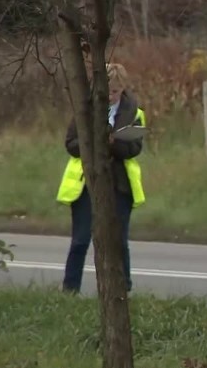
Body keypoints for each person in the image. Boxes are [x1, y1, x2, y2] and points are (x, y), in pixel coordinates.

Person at [55, 62, 147, 294]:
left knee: (118, 241)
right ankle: (69, 289)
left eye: (115, 91)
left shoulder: (134, 113)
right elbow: (71, 145)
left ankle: (122, 290)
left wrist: (114, 143)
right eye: (107, 91)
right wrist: (95, 141)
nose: (111, 96)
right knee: (81, 240)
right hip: (86, 184)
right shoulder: (84, 111)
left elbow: (134, 147)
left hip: (119, 185)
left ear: (123, 88)